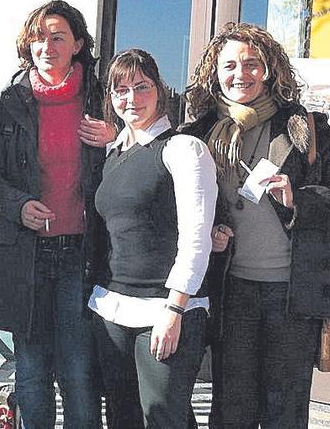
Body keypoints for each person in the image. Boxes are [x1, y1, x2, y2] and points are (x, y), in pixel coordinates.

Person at [180, 22, 330, 427]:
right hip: (231, 294)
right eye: (230, 65)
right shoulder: (199, 134)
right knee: (232, 409)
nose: (240, 74)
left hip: (291, 296)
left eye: (252, 64)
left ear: (270, 70)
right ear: (215, 71)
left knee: (285, 411)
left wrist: (298, 198)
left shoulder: (305, 128)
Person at [0, 0, 117, 428]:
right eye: (38, 37)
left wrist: (118, 134)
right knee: (32, 373)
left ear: (77, 44)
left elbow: (150, 140)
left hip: (82, 254)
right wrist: (17, 206)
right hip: (25, 253)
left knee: (78, 371)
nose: (47, 46)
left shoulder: (104, 98)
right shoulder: (7, 104)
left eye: (57, 37)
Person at [88, 49, 216, 428]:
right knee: (122, 417)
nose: (131, 99)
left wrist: (175, 309)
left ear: (159, 90)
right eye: (121, 90)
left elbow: (197, 236)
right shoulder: (113, 154)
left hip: (165, 310)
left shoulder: (183, 149)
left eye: (141, 87)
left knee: (163, 416)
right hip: (111, 307)